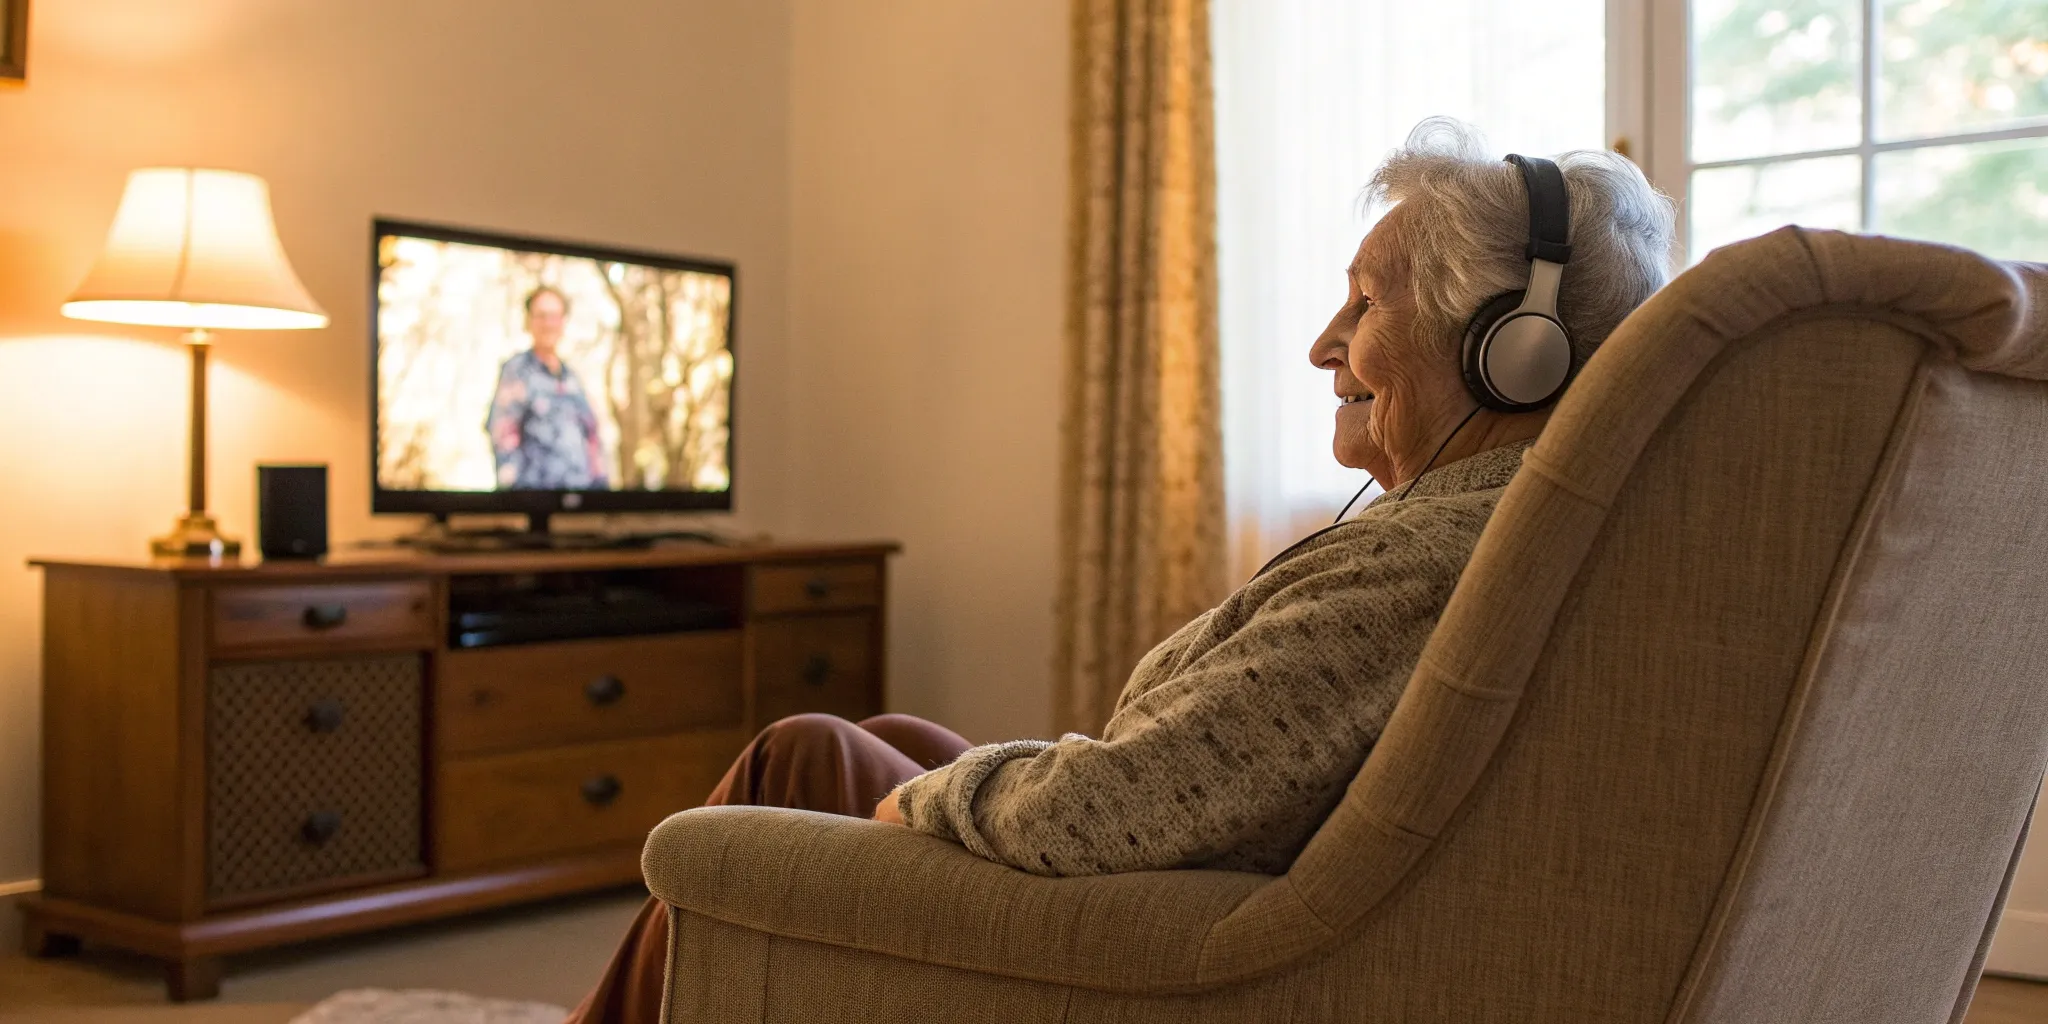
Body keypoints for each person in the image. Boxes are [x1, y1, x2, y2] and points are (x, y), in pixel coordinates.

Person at [565, 118, 1677, 1023]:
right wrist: (963, 777)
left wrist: (933, 802)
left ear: (1505, 346)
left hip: (1158, 927)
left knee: (801, 756)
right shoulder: (1512, 527)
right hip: (1204, 877)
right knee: (893, 738)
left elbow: (1118, 811)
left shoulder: (1418, 566)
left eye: (1364, 304)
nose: (1322, 345)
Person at [487, 285, 611, 490]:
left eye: (555, 316)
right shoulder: (517, 371)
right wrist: (516, 497)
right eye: (541, 316)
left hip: (583, 501)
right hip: (536, 502)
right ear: (529, 322)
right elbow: (503, 436)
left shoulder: (572, 377)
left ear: (563, 322)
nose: (548, 324)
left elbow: (592, 440)